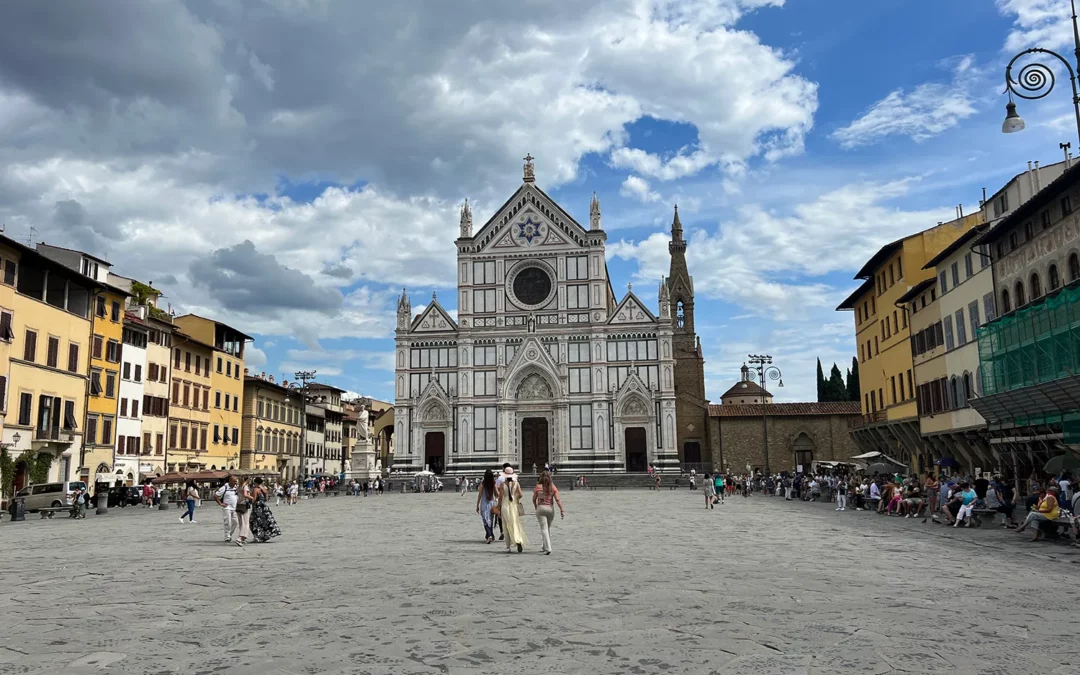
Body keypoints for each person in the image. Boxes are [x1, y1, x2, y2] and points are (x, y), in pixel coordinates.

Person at [532, 470, 564, 555]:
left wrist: (536, 506)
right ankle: (544, 546)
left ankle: (548, 547)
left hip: (541, 508)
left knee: (544, 528)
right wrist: (562, 510)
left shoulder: (538, 487)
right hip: (550, 508)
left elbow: (534, 498)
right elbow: (557, 500)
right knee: (548, 528)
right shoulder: (553, 487)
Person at [497, 467, 528, 553]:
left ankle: (508, 545)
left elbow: (500, 497)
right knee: (515, 523)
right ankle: (518, 540)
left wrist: (498, 507)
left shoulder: (503, 484)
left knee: (506, 524)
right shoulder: (516, 483)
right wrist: (515, 498)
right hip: (513, 505)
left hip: (505, 504)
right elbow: (521, 494)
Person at [248, 477, 282, 543]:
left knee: (254, 522)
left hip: (257, 507)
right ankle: (264, 536)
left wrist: (248, 498)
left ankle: (257, 537)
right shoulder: (263, 489)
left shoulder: (255, 489)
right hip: (264, 507)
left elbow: (254, 499)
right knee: (264, 521)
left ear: (255, 482)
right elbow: (266, 498)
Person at [215, 476, 240, 545]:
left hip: (234, 508)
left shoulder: (236, 488)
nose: (235, 482)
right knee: (227, 522)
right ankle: (227, 536)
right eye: (234, 481)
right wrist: (220, 503)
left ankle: (229, 534)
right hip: (227, 507)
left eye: (236, 481)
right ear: (230, 481)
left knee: (235, 522)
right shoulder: (224, 488)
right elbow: (216, 496)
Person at [476, 469, 498, 543]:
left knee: (485, 521)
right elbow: (497, 493)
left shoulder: (483, 484)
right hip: (492, 503)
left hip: (484, 504)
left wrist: (477, 505)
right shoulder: (493, 483)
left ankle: (489, 535)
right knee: (490, 520)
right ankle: (490, 534)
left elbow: (480, 495)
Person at [234, 478, 253, 547]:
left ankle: (243, 538)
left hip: (238, 504)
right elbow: (245, 495)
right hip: (244, 505)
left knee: (241, 522)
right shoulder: (245, 487)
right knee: (245, 522)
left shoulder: (239, 486)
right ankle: (241, 538)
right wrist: (252, 497)